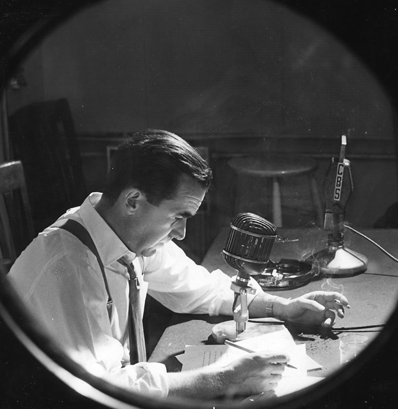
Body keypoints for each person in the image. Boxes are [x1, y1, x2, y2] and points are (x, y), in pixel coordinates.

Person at [8, 129, 350, 401]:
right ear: (133, 201)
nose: (183, 234)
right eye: (178, 217)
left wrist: (283, 307)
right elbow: (97, 388)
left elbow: (199, 289)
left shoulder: (126, 235)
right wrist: (222, 378)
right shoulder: (68, 267)